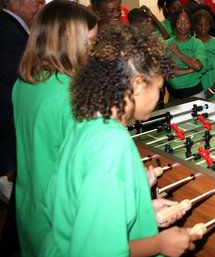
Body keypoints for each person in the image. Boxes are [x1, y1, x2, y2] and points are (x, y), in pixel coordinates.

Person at [39, 24, 199, 256]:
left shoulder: (87, 121)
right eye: (159, 88)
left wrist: (142, 210)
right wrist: (160, 244)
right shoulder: (113, 145)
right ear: (136, 86)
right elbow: (96, 251)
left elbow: (73, 205)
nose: (159, 97)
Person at [12, 0, 98, 256]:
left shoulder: (26, 81)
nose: (94, 49)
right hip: (64, 219)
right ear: (67, 38)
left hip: (31, 210)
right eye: (91, 41)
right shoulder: (73, 93)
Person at [0, 0, 45, 256]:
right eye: (36, 4)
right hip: (13, 123)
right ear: (14, 3)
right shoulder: (8, 32)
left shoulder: (14, 28)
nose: (39, 9)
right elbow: (10, 84)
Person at [165, 8, 206, 99]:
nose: (183, 25)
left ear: (191, 24)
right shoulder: (167, 44)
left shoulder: (197, 43)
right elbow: (166, 71)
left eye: (186, 22)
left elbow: (198, 66)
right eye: (179, 22)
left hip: (194, 93)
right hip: (173, 95)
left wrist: (178, 52)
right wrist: (189, 69)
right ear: (174, 24)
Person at [194, 10, 215, 101]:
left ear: (211, 25)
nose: (203, 27)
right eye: (200, 24)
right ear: (195, 25)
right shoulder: (191, 43)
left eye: (206, 24)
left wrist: (213, 88)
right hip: (195, 92)